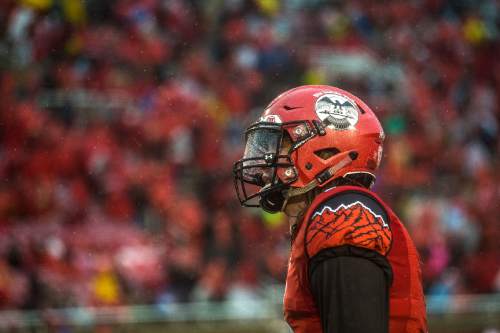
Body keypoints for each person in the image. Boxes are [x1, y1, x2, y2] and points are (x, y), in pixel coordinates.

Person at [233, 85, 427, 333]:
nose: (262, 166)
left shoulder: (342, 215)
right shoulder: (328, 214)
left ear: (324, 150)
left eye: (277, 146)